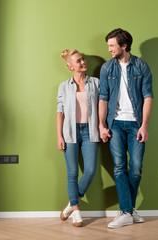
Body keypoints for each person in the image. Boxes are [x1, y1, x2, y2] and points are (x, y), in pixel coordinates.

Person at [98, 28, 154, 228]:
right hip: (115, 124)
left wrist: (144, 126)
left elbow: (148, 97)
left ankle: (127, 211)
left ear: (124, 45)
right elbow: (103, 98)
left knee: (136, 168)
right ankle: (127, 211)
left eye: (112, 45)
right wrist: (101, 125)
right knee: (120, 167)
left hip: (136, 124)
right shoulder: (107, 68)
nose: (109, 49)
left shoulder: (141, 67)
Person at [57, 49, 100, 227]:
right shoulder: (64, 86)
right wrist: (59, 135)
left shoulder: (96, 83)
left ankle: (72, 201)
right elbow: (60, 112)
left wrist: (103, 126)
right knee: (72, 173)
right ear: (70, 66)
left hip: (90, 131)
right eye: (78, 61)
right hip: (70, 132)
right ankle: (76, 211)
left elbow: (103, 106)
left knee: (90, 170)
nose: (83, 62)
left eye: (83, 59)